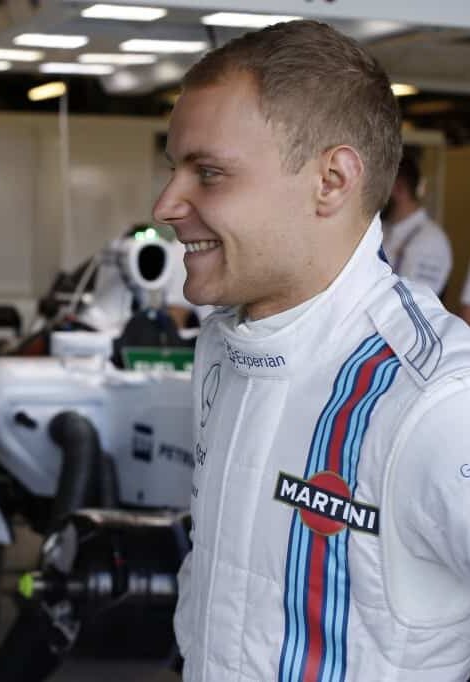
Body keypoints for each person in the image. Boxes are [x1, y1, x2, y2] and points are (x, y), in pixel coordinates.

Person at [153, 19, 470, 681]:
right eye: (173, 168)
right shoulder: (222, 344)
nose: (165, 204)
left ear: (330, 181)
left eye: (207, 173)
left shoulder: (439, 399)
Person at [380, 154, 452, 296]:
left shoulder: (431, 240)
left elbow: (415, 300)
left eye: (381, 189)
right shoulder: (382, 228)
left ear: (399, 188)